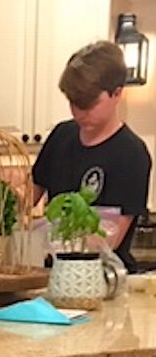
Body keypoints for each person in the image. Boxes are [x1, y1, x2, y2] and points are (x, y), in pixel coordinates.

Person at [32, 40, 151, 273]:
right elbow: (26, 200)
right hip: (53, 273)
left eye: (89, 104)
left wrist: (49, 234)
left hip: (102, 277)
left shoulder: (132, 154)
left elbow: (108, 241)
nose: (79, 113)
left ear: (117, 93)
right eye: (74, 104)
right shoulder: (60, 136)